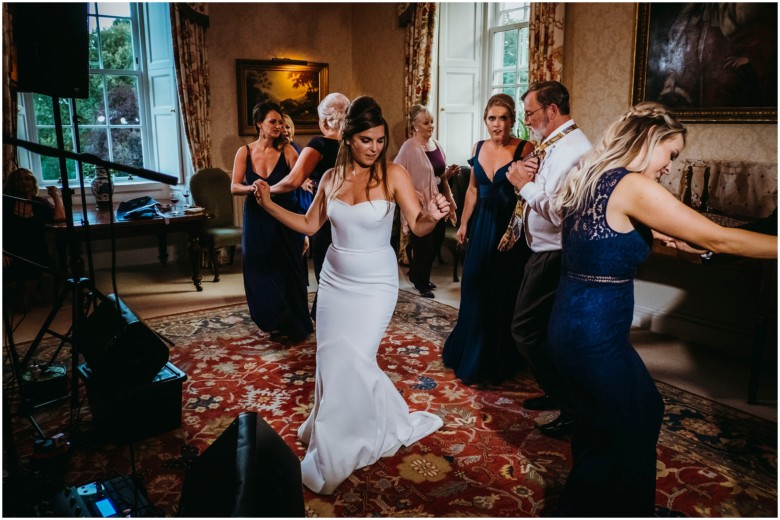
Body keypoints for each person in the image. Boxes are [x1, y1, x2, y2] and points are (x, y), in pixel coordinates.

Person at [547, 101, 777, 516]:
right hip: (595, 333)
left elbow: (605, 244)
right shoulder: (634, 186)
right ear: (650, 140)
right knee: (627, 423)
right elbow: (721, 239)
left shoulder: (593, 175)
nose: (671, 166)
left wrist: (676, 248)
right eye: (671, 153)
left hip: (572, 324)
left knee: (612, 419)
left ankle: (617, 506)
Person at [254, 96, 448, 495]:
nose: (375, 147)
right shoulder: (330, 178)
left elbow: (419, 224)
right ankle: (338, 427)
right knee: (330, 356)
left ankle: (347, 441)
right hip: (335, 282)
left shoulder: (394, 174)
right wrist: (271, 205)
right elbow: (310, 225)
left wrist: (435, 214)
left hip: (376, 283)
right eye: (366, 140)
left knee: (355, 357)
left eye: (379, 140)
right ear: (348, 139)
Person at [505, 81, 591, 437]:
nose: (526, 122)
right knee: (542, 331)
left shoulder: (574, 149)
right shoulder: (553, 144)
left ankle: (573, 407)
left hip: (555, 253)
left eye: (530, 114)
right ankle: (556, 393)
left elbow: (557, 211)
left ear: (552, 110)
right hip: (540, 248)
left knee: (524, 331)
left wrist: (519, 183)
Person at [441, 93, 535, 386]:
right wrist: (464, 223)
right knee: (474, 285)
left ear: (512, 120)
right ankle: (470, 350)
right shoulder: (478, 146)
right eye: (492, 118)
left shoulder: (525, 148)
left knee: (502, 291)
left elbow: (531, 195)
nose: (498, 124)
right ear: (485, 120)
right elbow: (472, 190)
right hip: (482, 224)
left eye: (504, 118)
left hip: (509, 229)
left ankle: (499, 357)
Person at [230, 101, 312, 341]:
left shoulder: (288, 150)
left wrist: (304, 228)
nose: (279, 126)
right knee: (258, 266)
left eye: (280, 122)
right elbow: (234, 186)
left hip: (283, 213)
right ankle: (267, 319)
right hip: (256, 216)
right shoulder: (244, 151)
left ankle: (293, 319)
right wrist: (254, 189)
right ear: (259, 124)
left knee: (288, 266)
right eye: (273, 122)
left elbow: (299, 183)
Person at [270, 93, 350, 321]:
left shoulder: (319, 144)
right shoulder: (353, 144)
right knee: (341, 268)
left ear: (324, 121)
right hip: (348, 214)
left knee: (326, 269)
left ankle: (325, 315)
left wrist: (268, 190)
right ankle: (334, 313)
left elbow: (292, 181)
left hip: (324, 215)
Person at [393, 104, 459, 298]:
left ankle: (415, 272)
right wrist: (411, 194)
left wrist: (448, 175)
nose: (431, 126)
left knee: (436, 239)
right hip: (420, 204)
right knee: (425, 243)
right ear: (415, 126)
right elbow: (398, 173)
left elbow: (438, 176)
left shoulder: (436, 145)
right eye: (426, 123)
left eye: (431, 122)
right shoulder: (408, 148)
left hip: (438, 200)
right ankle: (421, 282)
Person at [3, 168, 65, 310]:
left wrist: (56, 195)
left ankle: (24, 299)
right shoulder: (5, 203)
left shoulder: (39, 203)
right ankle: (25, 295)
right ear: (12, 183)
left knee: (34, 258)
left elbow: (60, 217)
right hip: (10, 251)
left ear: (33, 182)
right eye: (19, 179)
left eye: (27, 179)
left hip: (35, 251)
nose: (24, 182)